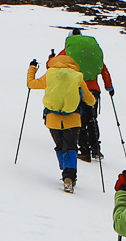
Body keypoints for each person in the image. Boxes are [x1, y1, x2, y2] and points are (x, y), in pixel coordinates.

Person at [24, 47, 94, 192]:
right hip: (73, 119)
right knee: (71, 147)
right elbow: (91, 101)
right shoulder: (77, 76)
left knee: (60, 147)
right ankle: (69, 175)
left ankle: (66, 169)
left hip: (52, 118)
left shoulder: (50, 74)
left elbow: (31, 84)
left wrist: (32, 68)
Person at [60, 26, 112, 162]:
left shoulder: (68, 52)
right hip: (94, 91)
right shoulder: (91, 54)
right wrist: (109, 87)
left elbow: (52, 65)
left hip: (78, 90)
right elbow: (103, 69)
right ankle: (96, 148)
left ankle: (84, 150)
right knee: (92, 118)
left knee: (80, 120)